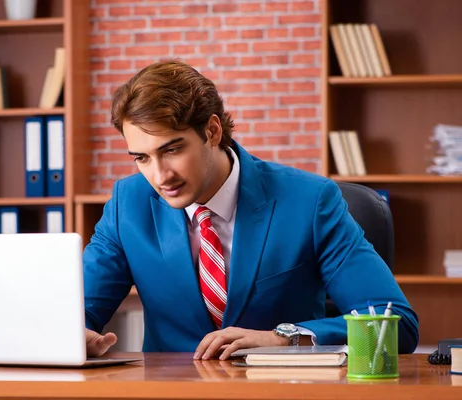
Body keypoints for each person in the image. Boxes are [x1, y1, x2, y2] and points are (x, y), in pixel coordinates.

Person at [83, 60, 419, 361]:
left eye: (172, 149)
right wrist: (75, 334)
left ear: (212, 131)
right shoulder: (128, 204)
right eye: (141, 158)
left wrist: (283, 338)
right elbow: (76, 310)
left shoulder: (310, 201)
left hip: (281, 389)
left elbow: (396, 325)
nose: (159, 175)